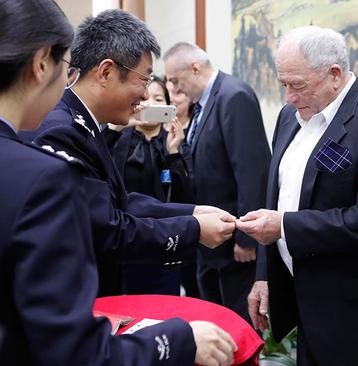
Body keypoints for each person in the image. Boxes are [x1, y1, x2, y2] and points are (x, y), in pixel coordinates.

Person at [0, 1, 236, 365]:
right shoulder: (56, 142)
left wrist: (191, 212)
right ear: (41, 64)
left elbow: (118, 201)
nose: (146, 94)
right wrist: (180, 340)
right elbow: (108, 228)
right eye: (143, 79)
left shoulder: (82, 129)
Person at [237, 26, 358, 365]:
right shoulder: (289, 117)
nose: (288, 96)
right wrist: (264, 275)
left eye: (298, 85)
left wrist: (285, 227)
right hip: (305, 308)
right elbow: (275, 201)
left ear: (335, 74)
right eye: (284, 84)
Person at [164, 42, 271, 324]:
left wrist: (247, 237)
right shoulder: (206, 104)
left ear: (195, 68)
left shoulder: (233, 96)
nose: (174, 89)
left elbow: (252, 171)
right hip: (211, 247)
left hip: (236, 246)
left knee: (238, 328)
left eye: (175, 80)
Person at [106, 75, 195, 295]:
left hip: (165, 243)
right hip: (126, 242)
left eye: (158, 98)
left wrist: (174, 153)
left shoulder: (175, 141)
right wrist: (118, 126)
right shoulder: (119, 138)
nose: (150, 104)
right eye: (144, 98)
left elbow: (187, 198)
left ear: (168, 106)